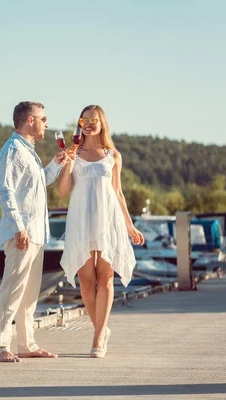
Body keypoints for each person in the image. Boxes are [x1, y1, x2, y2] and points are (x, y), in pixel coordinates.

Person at [58, 104, 144, 358]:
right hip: (81, 222)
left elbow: (118, 193)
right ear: (79, 124)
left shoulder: (113, 155)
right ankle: (102, 329)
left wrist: (129, 226)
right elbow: (63, 191)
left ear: (102, 123)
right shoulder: (74, 152)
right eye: (84, 120)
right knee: (86, 280)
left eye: (94, 119)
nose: (89, 123)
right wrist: (67, 163)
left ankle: (97, 337)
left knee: (105, 278)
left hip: (109, 222)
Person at [0, 101, 71, 362]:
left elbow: (39, 184)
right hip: (22, 234)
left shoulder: (29, 151)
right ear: (29, 120)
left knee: (29, 295)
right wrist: (18, 228)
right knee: (12, 290)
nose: (46, 124)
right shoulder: (13, 149)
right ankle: (0, 347)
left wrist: (56, 164)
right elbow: (4, 191)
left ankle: (26, 344)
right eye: (43, 119)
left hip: (36, 234)